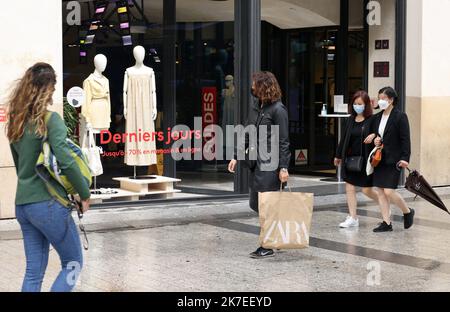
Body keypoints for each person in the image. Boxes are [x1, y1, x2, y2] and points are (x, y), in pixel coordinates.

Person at [6, 63, 91, 292]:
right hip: (48, 205)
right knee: (73, 263)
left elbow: (19, 167)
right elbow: (66, 161)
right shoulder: (50, 120)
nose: (54, 94)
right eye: (53, 89)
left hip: (23, 205)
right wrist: (84, 193)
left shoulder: (16, 123)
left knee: (33, 272)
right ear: (47, 90)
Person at [228, 71, 291, 259]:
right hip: (256, 162)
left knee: (266, 206)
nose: (252, 87)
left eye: (255, 84)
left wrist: (284, 167)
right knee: (256, 204)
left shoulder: (278, 110)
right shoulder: (257, 107)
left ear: (264, 86)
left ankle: (266, 244)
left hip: (270, 165)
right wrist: (236, 156)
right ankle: (273, 237)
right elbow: (247, 132)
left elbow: (284, 141)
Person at [371, 87, 415, 232]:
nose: (380, 101)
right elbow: (378, 136)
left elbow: (405, 139)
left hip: (394, 159)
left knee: (389, 191)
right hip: (380, 159)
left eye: (383, 98)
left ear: (391, 100)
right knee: (380, 192)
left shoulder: (400, 116)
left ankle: (407, 211)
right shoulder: (377, 117)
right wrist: (376, 141)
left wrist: (405, 158)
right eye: (379, 98)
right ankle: (386, 222)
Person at [334, 91, 379, 228]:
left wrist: (373, 134)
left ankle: (384, 203)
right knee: (350, 187)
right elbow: (344, 139)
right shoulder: (350, 119)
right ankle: (353, 217)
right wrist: (338, 155)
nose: (356, 106)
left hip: (365, 160)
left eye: (360, 104)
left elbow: (380, 133)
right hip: (351, 159)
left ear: (366, 105)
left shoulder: (372, 119)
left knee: (367, 190)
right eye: (354, 104)